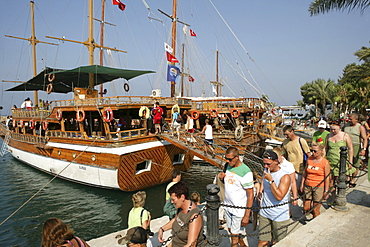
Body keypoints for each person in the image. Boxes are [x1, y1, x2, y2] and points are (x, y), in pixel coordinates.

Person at [218, 146, 254, 247]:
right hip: (228, 206)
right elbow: (229, 184)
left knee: (233, 236)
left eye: (230, 159)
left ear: (237, 157)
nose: (228, 161)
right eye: (226, 159)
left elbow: (251, 194)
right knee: (231, 230)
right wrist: (221, 179)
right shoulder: (227, 166)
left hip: (239, 209)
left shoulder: (246, 172)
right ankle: (242, 244)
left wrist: (247, 215)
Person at [258, 150, 291, 247]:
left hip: (279, 215)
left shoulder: (284, 176)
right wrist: (260, 191)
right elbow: (263, 183)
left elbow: (279, 196)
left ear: (276, 161)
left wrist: (271, 181)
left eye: (268, 164)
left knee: (278, 243)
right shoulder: (266, 172)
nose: (265, 166)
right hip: (265, 212)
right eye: (264, 164)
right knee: (262, 241)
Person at [158, 181, 206, 247]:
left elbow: (191, 245)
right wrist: (162, 229)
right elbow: (176, 220)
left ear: (182, 197)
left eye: (173, 199)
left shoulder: (194, 216)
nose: (172, 202)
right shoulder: (180, 208)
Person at [325, 121, 355, 200]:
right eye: (331, 129)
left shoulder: (345, 135)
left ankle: (340, 196)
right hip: (330, 160)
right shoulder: (328, 136)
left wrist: (350, 161)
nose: (333, 131)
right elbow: (325, 148)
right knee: (330, 180)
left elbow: (350, 149)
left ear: (339, 127)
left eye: (334, 129)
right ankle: (333, 197)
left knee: (340, 180)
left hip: (341, 161)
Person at [300, 143, 330, 218]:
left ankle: (315, 220)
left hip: (319, 187)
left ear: (320, 151)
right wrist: (302, 184)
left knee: (316, 209)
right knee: (306, 208)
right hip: (308, 185)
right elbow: (305, 173)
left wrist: (326, 191)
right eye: (311, 150)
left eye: (315, 151)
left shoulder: (325, 162)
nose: (312, 152)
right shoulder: (309, 159)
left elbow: (327, 177)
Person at [282, 125, 311, 190]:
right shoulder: (285, 142)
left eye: (287, 134)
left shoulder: (301, 141)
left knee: (299, 189)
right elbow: (284, 155)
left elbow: (308, 154)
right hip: (289, 169)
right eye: (284, 134)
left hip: (299, 170)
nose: (286, 136)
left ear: (292, 132)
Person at [344, 113, 368, 187]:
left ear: (356, 119)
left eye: (351, 119)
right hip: (346, 146)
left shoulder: (360, 127)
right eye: (349, 119)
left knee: (356, 163)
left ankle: (353, 179)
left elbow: (365, 138)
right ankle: (348, 177)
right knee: (346, 162)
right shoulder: (346, 125)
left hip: (356, 146)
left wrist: (364, 149)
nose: (349, 120)